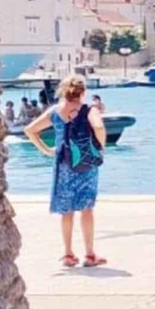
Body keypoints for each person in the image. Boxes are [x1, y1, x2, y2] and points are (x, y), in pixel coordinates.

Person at [23, 74, 106, 267]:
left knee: (66, 211)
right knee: (87, 208)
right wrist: (100, 146)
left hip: (63, 164)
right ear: (83, 92)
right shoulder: (89, 110)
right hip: (86, 163)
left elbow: (30, 130)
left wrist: (46, 150)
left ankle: (68, 254)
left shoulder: (55, 111)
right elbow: (99, 127)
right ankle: (90, 255)